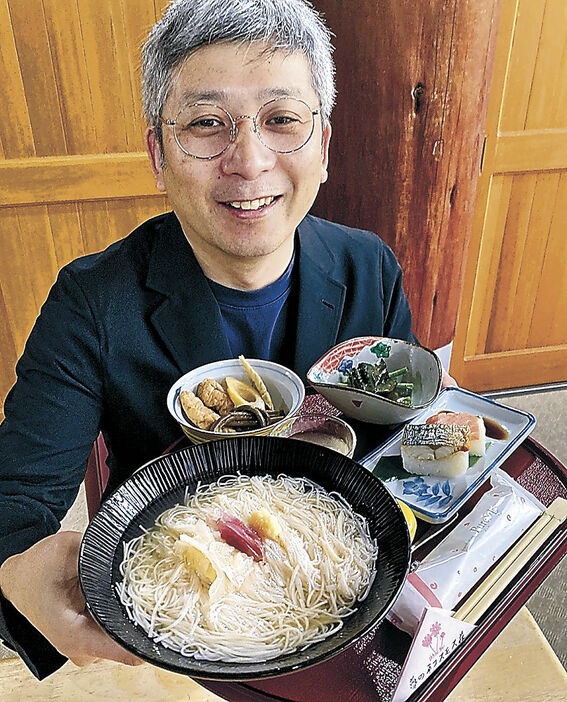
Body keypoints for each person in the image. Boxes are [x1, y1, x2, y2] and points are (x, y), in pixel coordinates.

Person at [0, 0, 450, 682]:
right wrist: (14, 575)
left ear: (322, 146)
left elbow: (397, 441)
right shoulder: (91, 300)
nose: (248, 160)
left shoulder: (369, 267)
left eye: (281, 120)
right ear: (158, 153)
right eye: (207, 124)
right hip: (179, 616)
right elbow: (14, 504)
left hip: (341, 589)